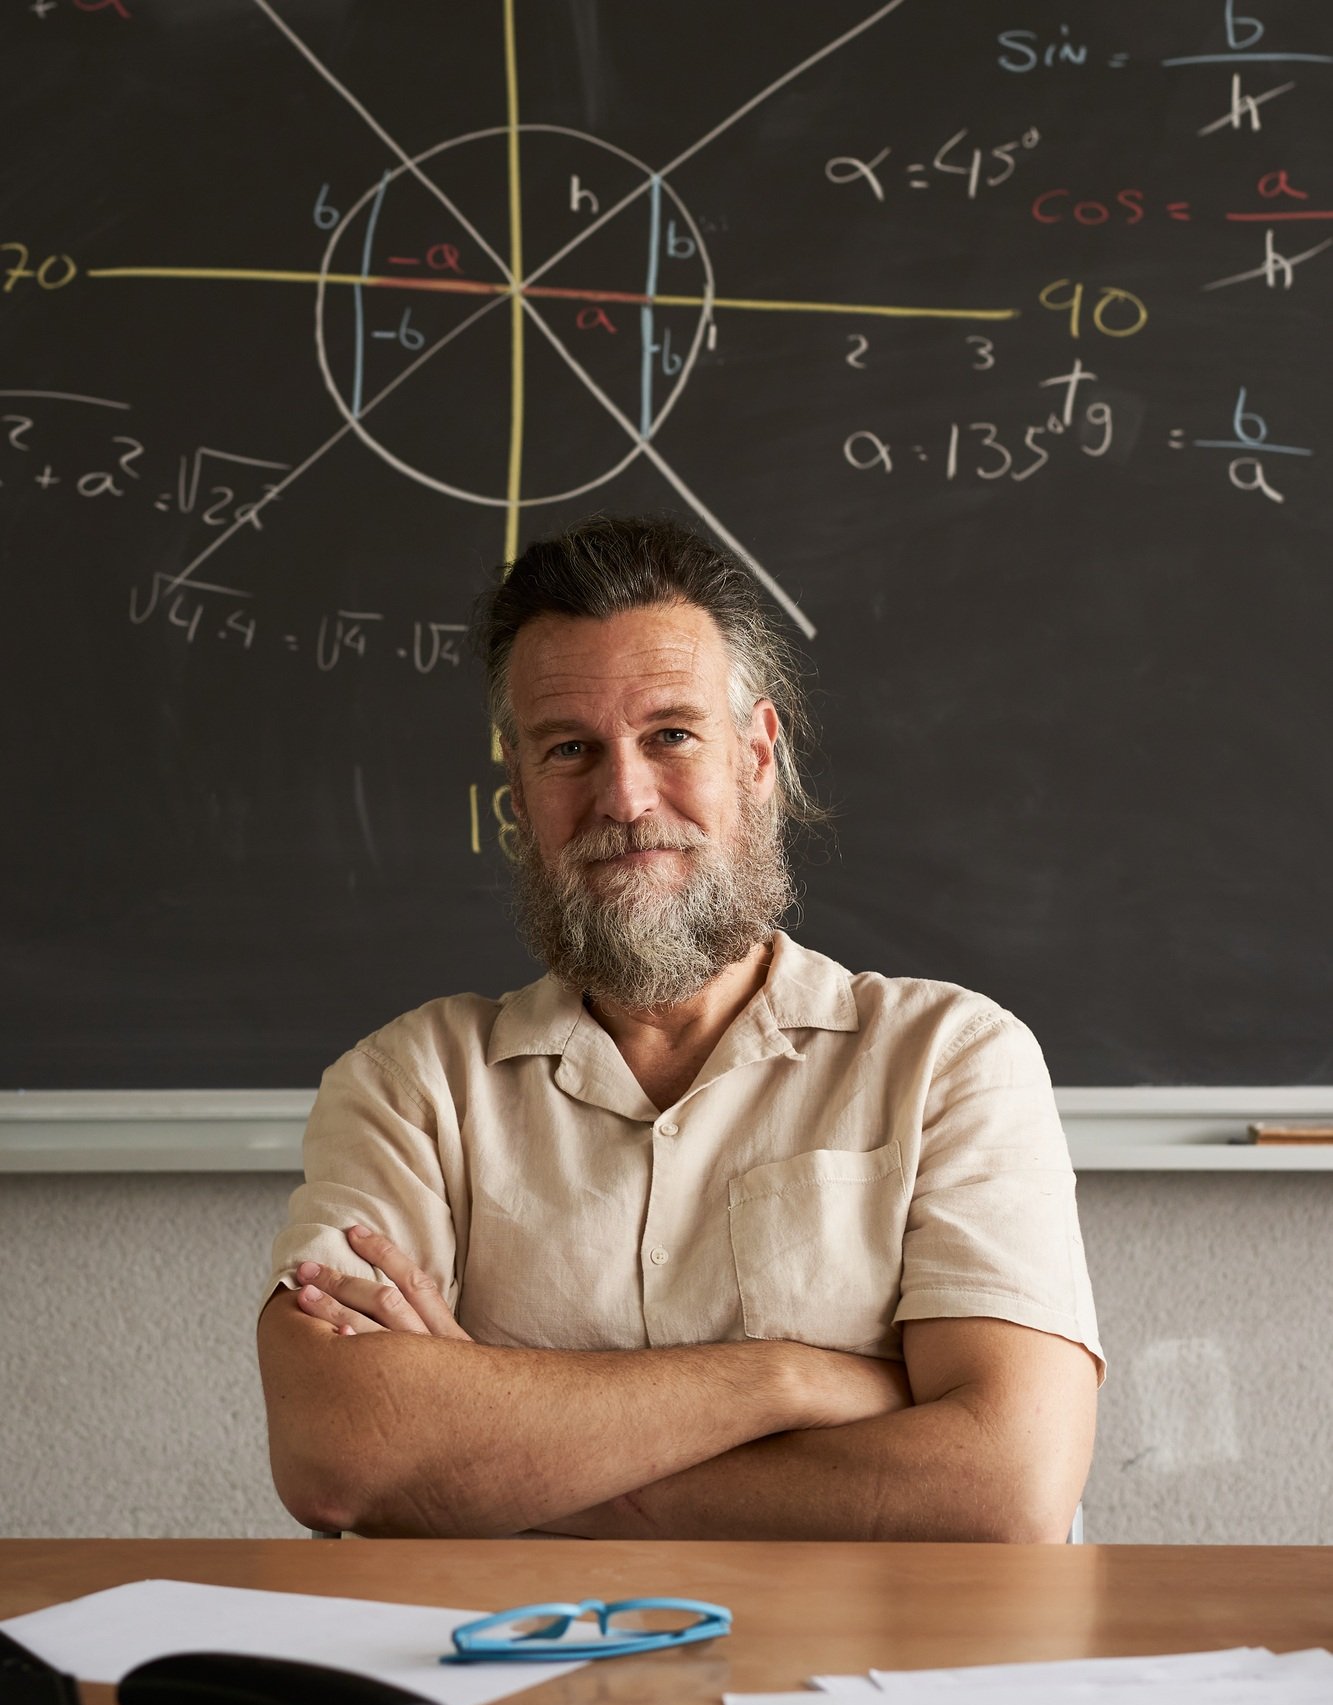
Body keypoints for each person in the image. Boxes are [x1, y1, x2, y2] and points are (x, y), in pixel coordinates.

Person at [257, 515, 1101, 1541]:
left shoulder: (953, 1060)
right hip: (524, 1684)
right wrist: (787, 1380)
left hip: (886, 1687)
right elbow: (340, 1451)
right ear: (519, 794)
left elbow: (1003, 1484)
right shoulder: (408, 1086)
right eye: (569, 749)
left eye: (670, 733)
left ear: (755, 755)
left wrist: (502, 1443)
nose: (624, 795)